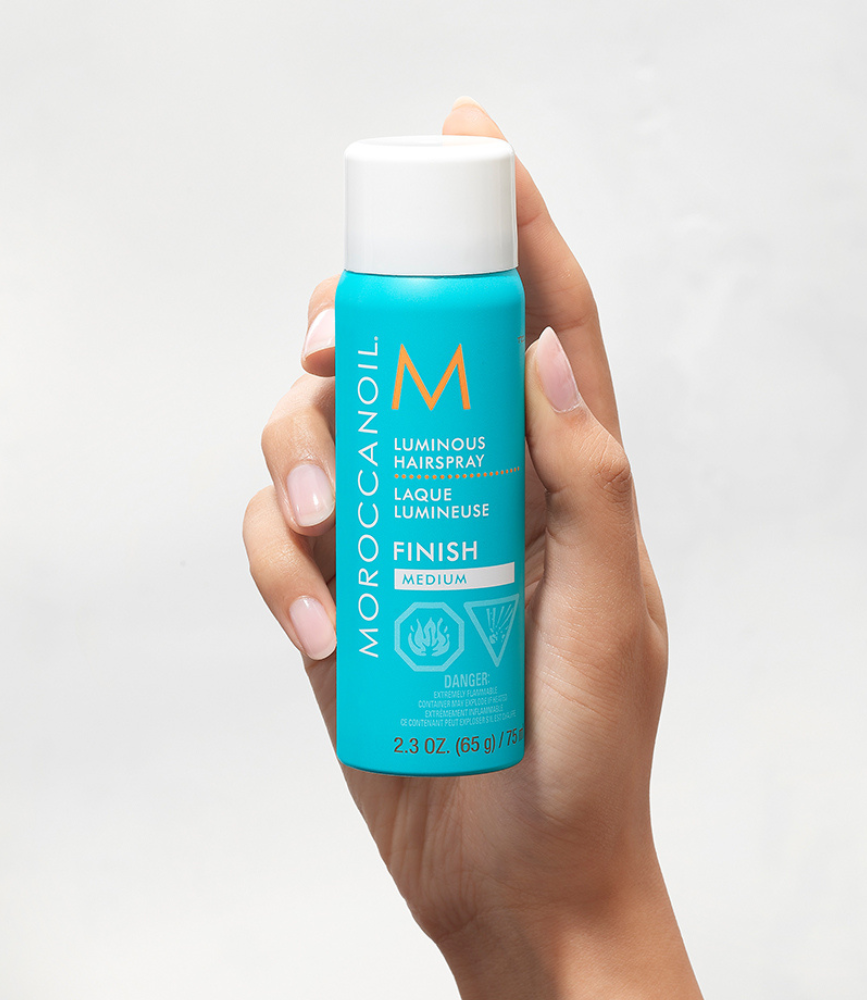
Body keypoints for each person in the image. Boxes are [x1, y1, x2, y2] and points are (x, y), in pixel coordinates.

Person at [243, 97, 703, 999]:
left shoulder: (491, 300)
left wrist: (571, 895)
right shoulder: (376, 303)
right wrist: (519, 922)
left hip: (513, 738)